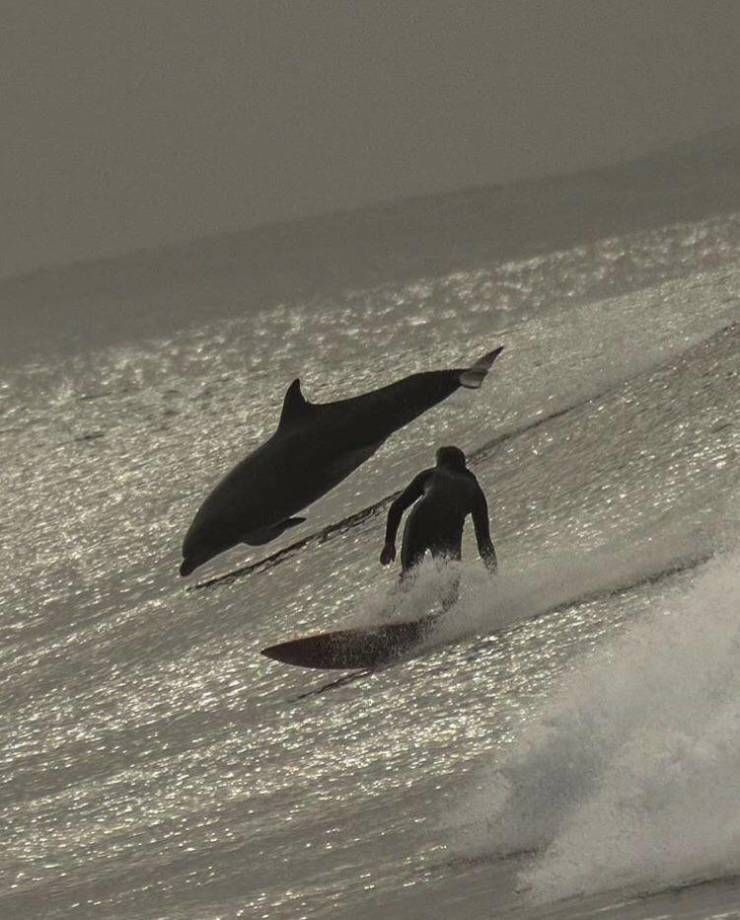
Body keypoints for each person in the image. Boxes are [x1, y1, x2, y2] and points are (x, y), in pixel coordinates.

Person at [380, 446, 498, 583]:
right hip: (448, 529)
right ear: (463, 465)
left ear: (440, 462)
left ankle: (394, 603)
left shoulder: (430, 474)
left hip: (419, 520)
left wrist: (389, 542)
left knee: (408, 578)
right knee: (450, 589)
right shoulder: (475, 490)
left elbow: (397, 507)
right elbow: (484, 541)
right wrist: (493, 573)